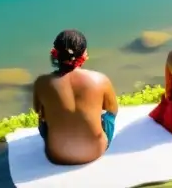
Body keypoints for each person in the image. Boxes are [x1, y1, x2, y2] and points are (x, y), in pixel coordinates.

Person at [33, 30, 118, 166]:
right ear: (84, 54)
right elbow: (112, 110)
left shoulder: (41, 82)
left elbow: (38, 111)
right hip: (96, 151)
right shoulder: (100, 79)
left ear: (55, 54)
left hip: (56, 155)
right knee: (108, 115)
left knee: (43, 116)